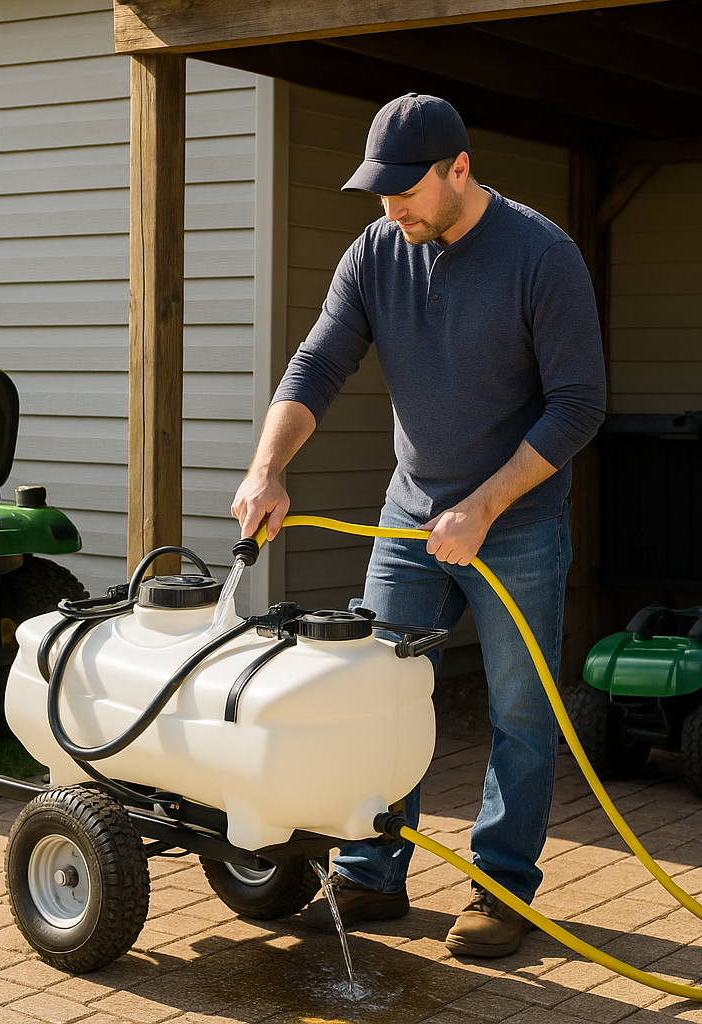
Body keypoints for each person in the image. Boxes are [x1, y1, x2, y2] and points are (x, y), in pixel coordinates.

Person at [231, 93, 607, 958]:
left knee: (520, 711)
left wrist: (482, 505)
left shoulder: (541, 256)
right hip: (409, 512)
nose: (390, 209)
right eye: (380, 194)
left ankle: (501, 886)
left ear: (459, 171)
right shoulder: (378, 249)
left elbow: (578, 406)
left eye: (405, 192)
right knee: (376, 694)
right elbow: (320, 360)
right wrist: (268, 466)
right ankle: (371, 871)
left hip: (515, 520)